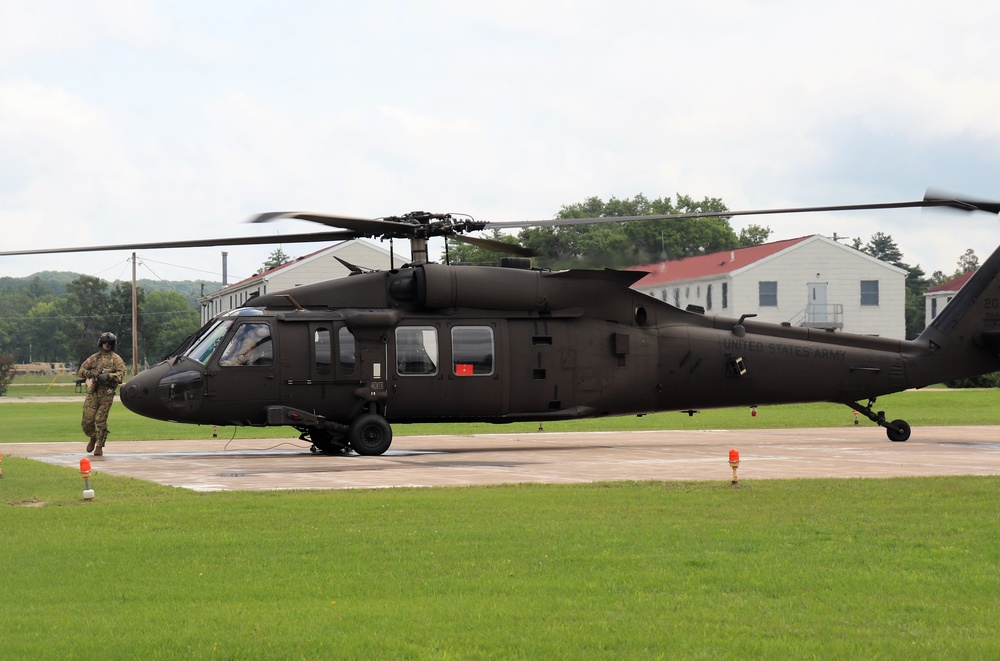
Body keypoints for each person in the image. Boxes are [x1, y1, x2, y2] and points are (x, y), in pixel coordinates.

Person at [78, 332, 127, 456]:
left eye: (110, 343)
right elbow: (82, 370)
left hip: (107, 393)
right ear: (100, 343)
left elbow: (121, 374)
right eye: (105, 342)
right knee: (87, 421)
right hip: (93, 392)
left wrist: (109, 376)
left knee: (100, 420)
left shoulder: (116, 359)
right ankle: (93, 436)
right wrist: (89, 374)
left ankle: (99, 444)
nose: (107, 345)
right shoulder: (94, 358)